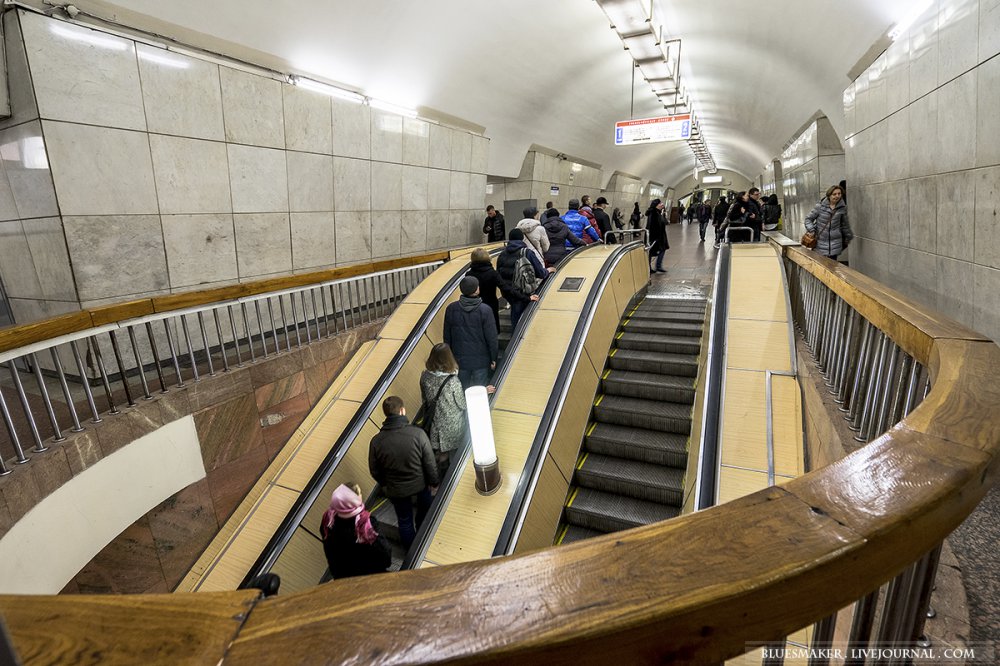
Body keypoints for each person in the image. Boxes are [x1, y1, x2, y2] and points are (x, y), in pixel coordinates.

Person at [368, 396, 439, 549]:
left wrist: (386, 485)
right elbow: (429, 462)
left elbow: (374, 470)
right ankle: (424, 541)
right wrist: (434, 482)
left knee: (405, 521)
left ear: (386, 414)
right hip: (420, 485)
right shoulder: (417, 434)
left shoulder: (376, 441)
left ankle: (412, 551)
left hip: (396, 490)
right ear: (402, 410)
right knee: (424, 513)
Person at [320, 483, 391, 579]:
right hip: (372, 575)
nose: (361, 496)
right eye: (359, 494)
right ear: (354, 501)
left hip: (344, 577)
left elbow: (330, 552)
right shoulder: (366, 524)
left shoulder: (328, 522)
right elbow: (384, 553)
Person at [419, 343, 467, 479]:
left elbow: (425, 401)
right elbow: (462, 404)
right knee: (456, 452)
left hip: (436, 425)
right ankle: (455, 478)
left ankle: (440, 480)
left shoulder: (425, 377)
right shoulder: (453, 381)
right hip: (453, 426)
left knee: (442, 453)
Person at [443, 275, 498, 388]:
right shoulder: (485, 310)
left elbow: (447, 337)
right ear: (477, 290)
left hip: (459, 360)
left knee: (462, 389)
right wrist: (493, 358)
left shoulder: (451, 309)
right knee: (480, 390)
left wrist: (449, 358)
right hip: (481, 361)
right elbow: (492, 338)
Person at [496, 228, 549, 331]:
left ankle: (515, 338)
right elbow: (540, 273)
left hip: (508, 292)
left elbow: (499, 275)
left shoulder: (502, 254)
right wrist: (547, 271)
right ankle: (518, 341)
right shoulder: (527, 253)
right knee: (521, 319)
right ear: (522, 238)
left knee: (515, 312)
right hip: (523, 291)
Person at [804, 185, 852, 261]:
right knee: (819, 267)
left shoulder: (842, 208)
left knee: (832, 268)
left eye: (839, 194)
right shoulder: (820, 207)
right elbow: (808, 219)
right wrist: (811, 230)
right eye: (834, 194)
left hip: (835, 244)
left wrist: (848, 236)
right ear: (829, 195)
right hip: (820, 243)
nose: (837, 196)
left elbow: (844, 224)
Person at [465, 247, 502, 330]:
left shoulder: (468, 275)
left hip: (473, 307)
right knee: (492, 330)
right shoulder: (492, 273)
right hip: (491, 305)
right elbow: (505, 288)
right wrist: (524, 297)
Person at [645, 199, 668, 273]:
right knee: (652, 251)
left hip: (658, 236)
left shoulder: (657, 213)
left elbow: (664, 222)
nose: (662, 204)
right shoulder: (654, 214)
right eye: (660, 203)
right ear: (656, 205)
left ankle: (656, 266)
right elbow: (653, 226)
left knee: (657, 250)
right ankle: (652, 267)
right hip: (655, 236)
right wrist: (656, 238)